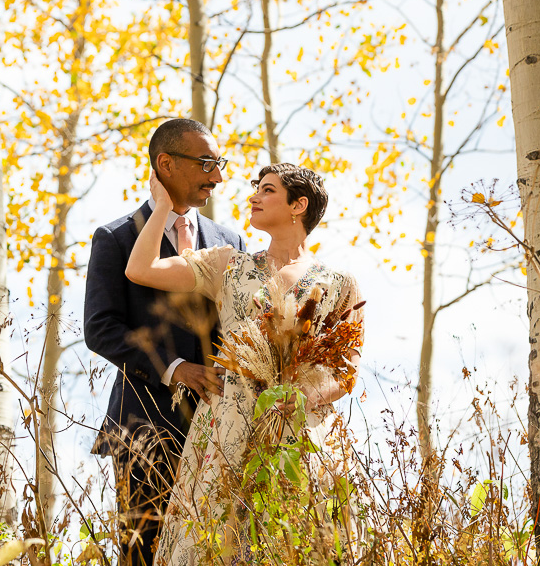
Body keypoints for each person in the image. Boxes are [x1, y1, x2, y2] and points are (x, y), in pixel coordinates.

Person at [126, 162, 364, 566]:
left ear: (298, 205)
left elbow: (347, 367)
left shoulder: (340, 282)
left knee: (298, 539)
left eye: (267, 189)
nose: (253, 195)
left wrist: (304, 396)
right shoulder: (228, 265)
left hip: (300, 427)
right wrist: (163, 206)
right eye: (256, 187)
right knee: (216, 537)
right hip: (227, 421)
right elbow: (140, 269)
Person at [84, 119, 247, 566]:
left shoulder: (230, 242)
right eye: (207, 163)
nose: (218, 176)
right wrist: (175, 368)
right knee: (145, 556)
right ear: (165, 164)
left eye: (220, 164)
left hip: (219, 427)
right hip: (143, 428)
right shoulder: (115, 239)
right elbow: (100, 329)